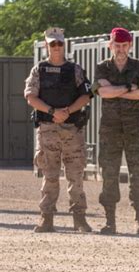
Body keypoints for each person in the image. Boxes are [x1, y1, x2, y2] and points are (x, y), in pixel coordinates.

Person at [24, 27, 93, 233]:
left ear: (64, 44)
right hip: (48, 128)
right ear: (46, 45)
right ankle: (47, 218)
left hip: (72, 128)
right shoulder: (39, 70)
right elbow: (30, 96)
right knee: (50, 175)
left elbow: (86, 95)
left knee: (76, 175)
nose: (56, 47)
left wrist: (68, 111)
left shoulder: (75, 70)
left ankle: (79, 218)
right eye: (52, 43)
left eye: (59, 43)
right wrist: (52, 111)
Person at [93, 27, 139, 235]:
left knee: (138, 174)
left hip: (134, 130)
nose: (120, 49)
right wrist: (130, 88)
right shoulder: (102, 67)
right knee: (109, 173)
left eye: (124, 45)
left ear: (130, 45)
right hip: (110, 130)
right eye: (116, 45)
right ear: (110, 45)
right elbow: (102, 92)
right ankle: (110, 221)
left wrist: (116, 90)